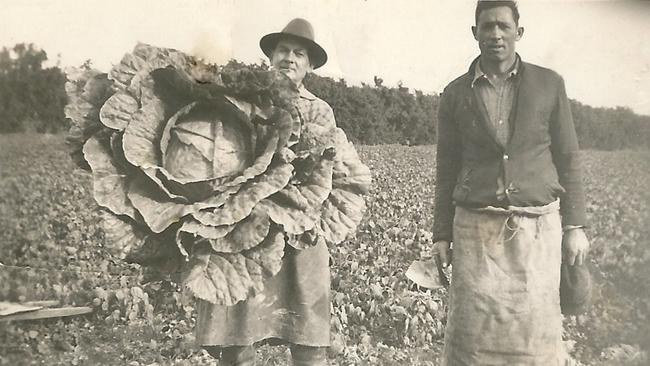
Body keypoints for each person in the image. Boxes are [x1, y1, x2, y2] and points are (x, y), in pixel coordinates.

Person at [432, 1, 589, 365]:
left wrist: (576, 225)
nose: (496, 34)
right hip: (476, 235)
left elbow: (568, 157)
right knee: (472, 340)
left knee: (534, 339)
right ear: (475, 34)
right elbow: (446, 167)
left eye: (504, 26)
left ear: (519, 32)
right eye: (487, 27)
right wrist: (441, 234)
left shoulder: (549, 85)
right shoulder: (455, 93)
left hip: (536, 234)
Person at [195, 18, 334, 366]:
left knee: (308, 333)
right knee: (237, 333)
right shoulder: (245, 98)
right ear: (271, 56)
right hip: (245, 226)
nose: (290, 57)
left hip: (298, 225)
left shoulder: (319, 110)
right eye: (283, 50)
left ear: (310, 64)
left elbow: (326, 168)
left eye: (299, 53)